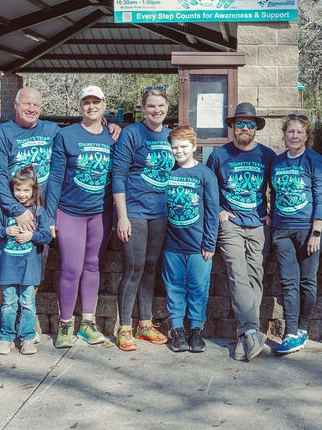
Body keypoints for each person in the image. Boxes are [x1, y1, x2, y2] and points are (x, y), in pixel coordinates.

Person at [0, 87, 59, 349]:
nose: (31, 109)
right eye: (26, 104)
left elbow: (78, 140)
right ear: (16, 104)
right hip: (7, 215)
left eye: (36, 105)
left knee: (31, 272)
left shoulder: (51, 130)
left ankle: (24, 327)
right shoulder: (2, 133)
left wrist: (110, 125)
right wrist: (17, 211)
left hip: (38, 216)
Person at [44, 86, 116, 348]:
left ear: (104, 105)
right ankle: (65, 325)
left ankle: (87, 323)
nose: (91, 107)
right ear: (80, 106)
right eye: (87, 102)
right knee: (71, 268)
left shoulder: (113, 136)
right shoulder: (66, 135)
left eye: (96, 102)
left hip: (101, 213)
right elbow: (55, 177)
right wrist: (50, 216)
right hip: (70, 211)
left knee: (93, 266)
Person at [206, 102, 276, 362]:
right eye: (240, 123)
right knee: (237, 274)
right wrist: (218, 211)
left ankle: (246, 335)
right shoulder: (219, 156)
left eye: (249, 124)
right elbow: (208, 189)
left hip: (258, 223)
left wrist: (273, 213)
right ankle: (249, 330)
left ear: (256, 128)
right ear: (233, 127)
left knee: (255, 276)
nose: (244, 128)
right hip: (231, 224)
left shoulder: (268, 156)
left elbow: (278, 187)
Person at [111, 87, 175, 351]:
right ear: (143, 108)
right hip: (134, 212)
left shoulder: (171, 136)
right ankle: (125, 327)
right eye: (151, 106)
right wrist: (122, 216)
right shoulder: (132, 133)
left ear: (167, 108)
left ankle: (145, 324)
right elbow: (118, 175)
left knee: (150, 267)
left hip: (160, 214)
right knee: (134, 267)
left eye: (160, 106)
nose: (156, 110)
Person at [269, 114, 322, 356]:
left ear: (306, 136)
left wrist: (316, 232)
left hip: (307, 229)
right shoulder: (277, 161)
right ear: (284, 134)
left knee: (307, 281)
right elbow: (274, 192)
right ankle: (290, 333)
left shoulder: (316, 161)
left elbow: (321, 198)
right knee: (288, 282)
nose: (294, 136)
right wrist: (270, 217)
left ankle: (302, 328)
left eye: (299, 132)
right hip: (281, 230)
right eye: (290, 131)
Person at [160, 125, 220, 353]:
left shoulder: (205, 174)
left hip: (198, 246)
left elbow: (212, 212)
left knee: (198, 287)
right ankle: (177, 330)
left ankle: (196, 329)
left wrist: (210, 242)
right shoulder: (168, 172)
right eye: (175, 147)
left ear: (194, 147)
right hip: (172, 244)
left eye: (184, 147)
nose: (179, 151)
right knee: (174, 287)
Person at [0, 166, 52, 355]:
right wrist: (5, 231)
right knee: (8, 303)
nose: (22, 194)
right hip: (8, 267)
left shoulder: (39, 211)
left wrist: (32, 235)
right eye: (18, 189)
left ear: (34, 190)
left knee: (27, 303)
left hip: (29, 268)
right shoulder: (3, 210)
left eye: (26, 190)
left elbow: (47, 236)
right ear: (12, 189)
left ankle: (27, 337)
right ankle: (6, 337)